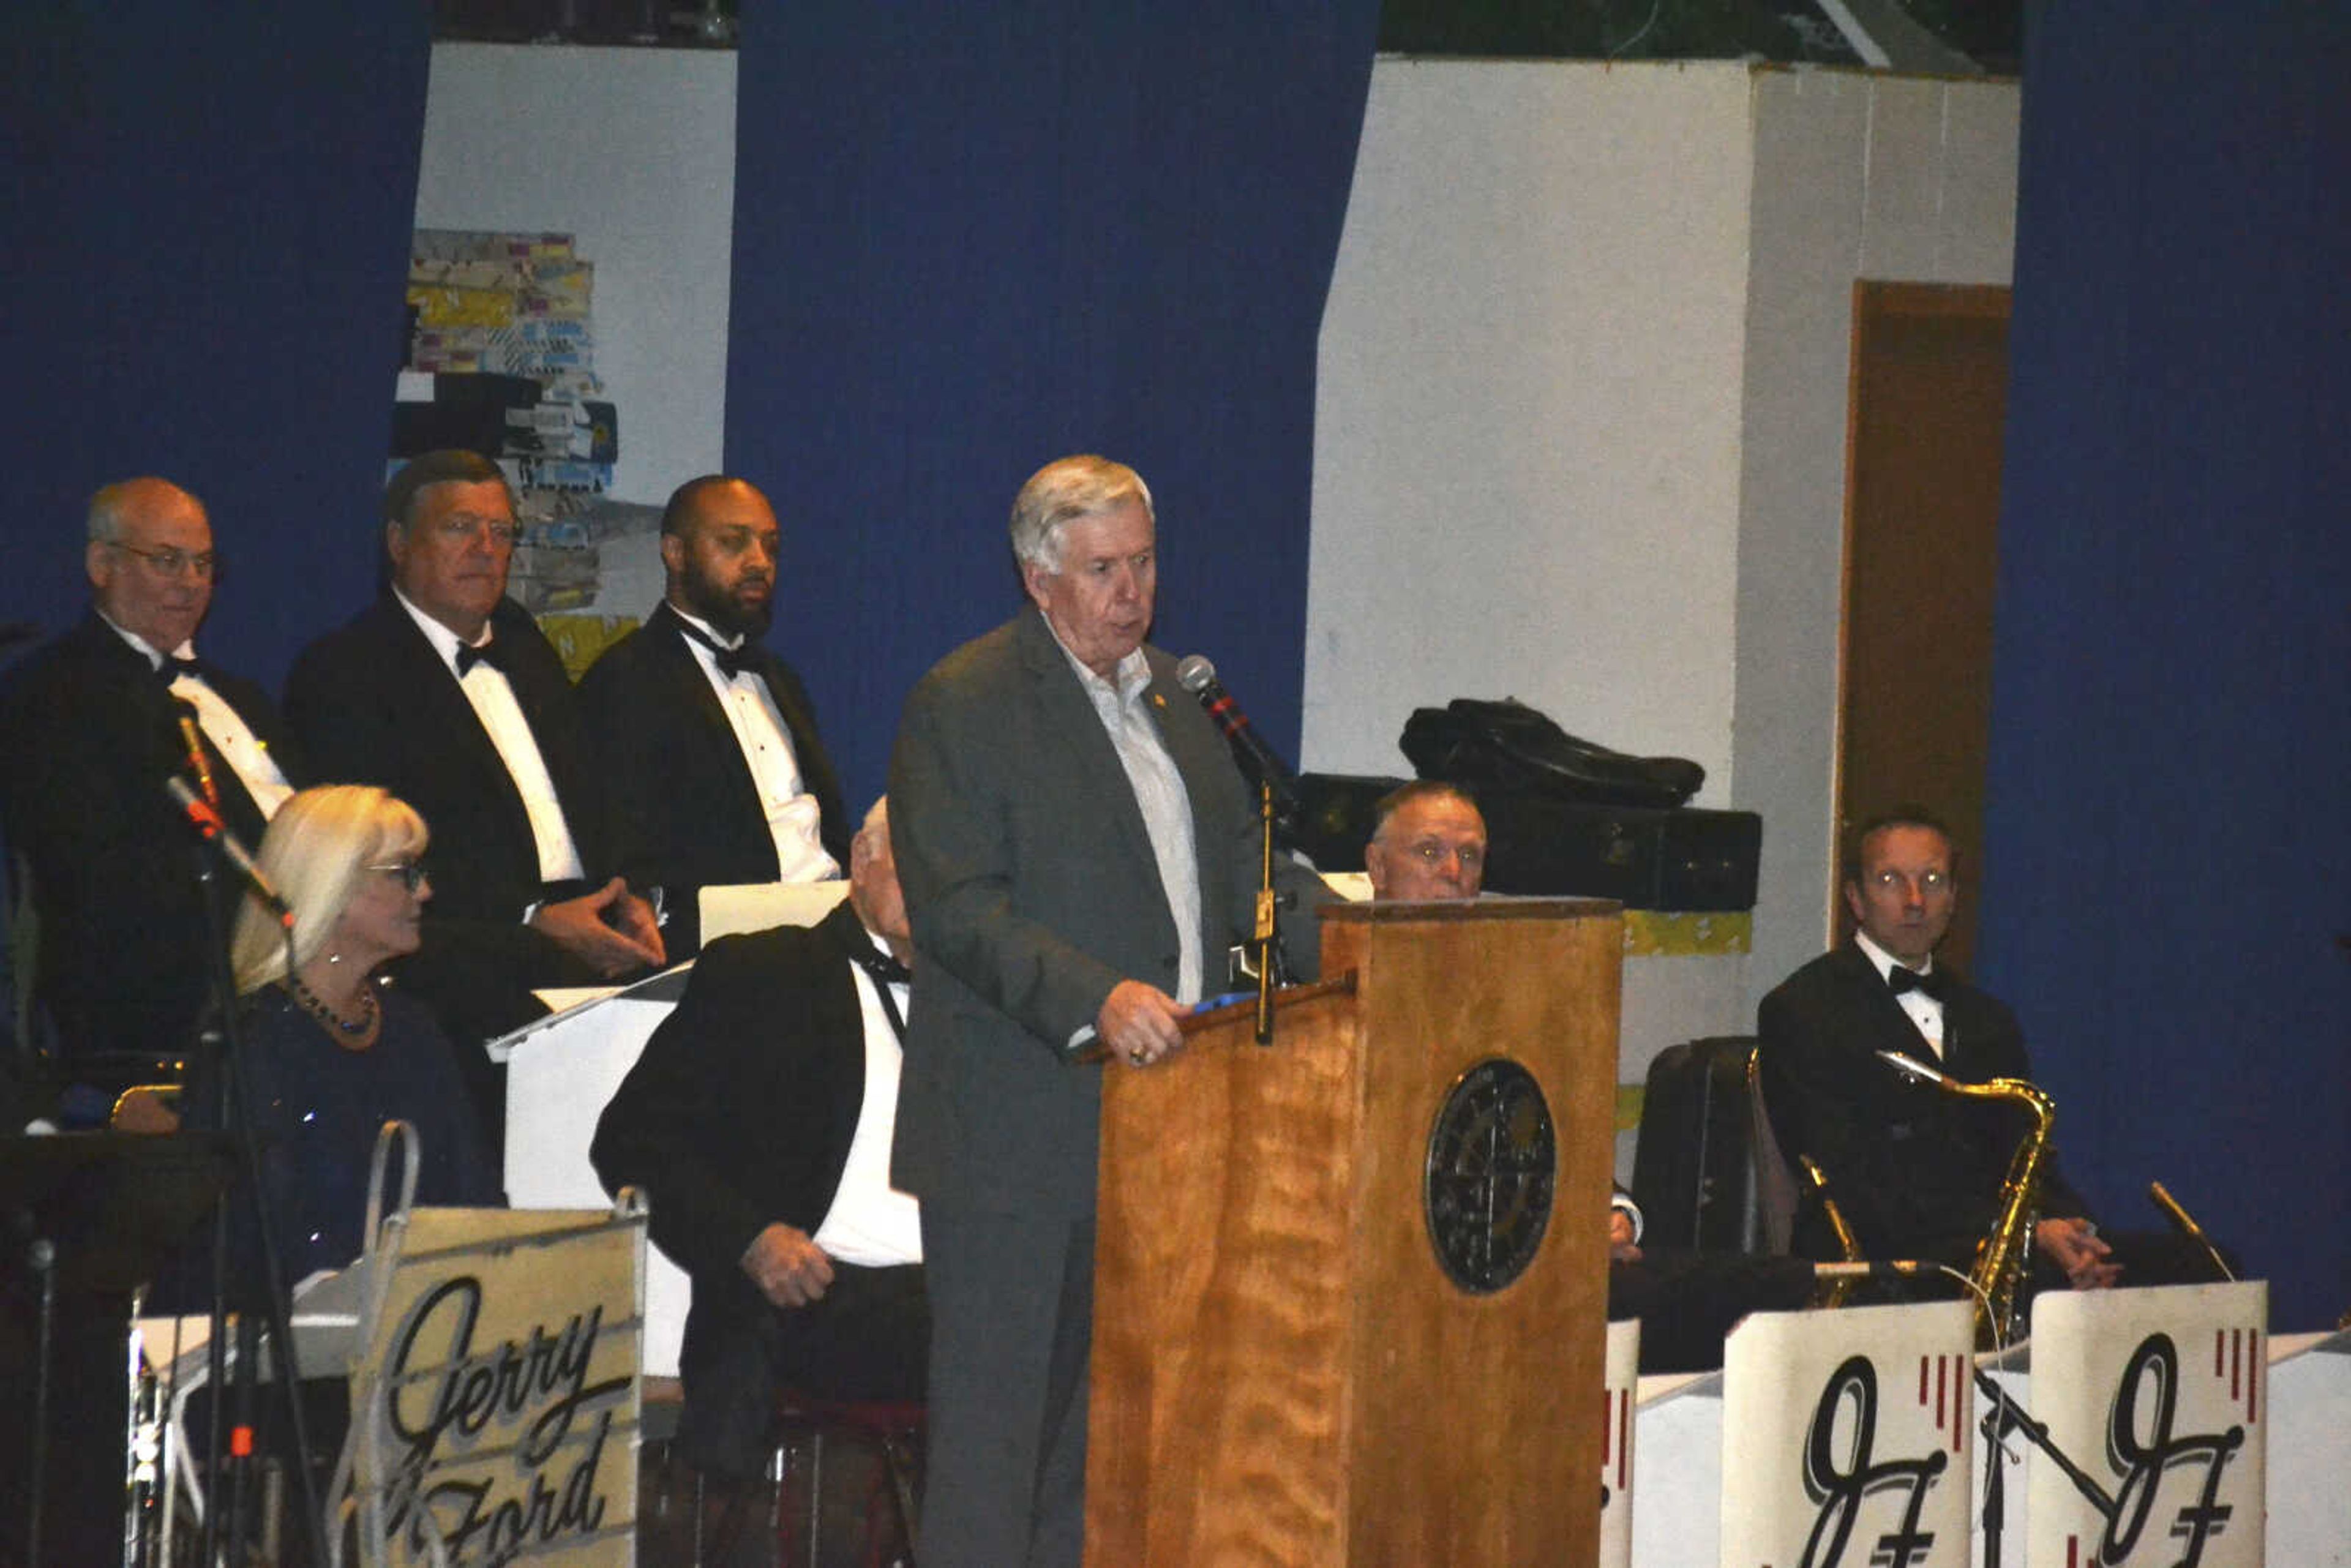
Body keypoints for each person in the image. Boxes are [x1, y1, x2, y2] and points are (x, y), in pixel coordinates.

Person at [888, 454, 1330, 1568]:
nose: (1132, 592)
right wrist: (1097, 996)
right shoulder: (969, 698)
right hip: (1018, 1139)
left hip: (1163, 1127)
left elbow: (1251, 863)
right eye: (1102, 569)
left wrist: (1393, 941)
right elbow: (959, 908)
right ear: (1040, 580)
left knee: (1107, 1450)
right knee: (998, 1457)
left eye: (1143, 563)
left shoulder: (1181, 693)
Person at [1360, 780, 1812, 1371]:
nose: (1453, 872)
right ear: (1376, 866)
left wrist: (1610, 1213)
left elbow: (1558, 1127)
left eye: (1469, 855)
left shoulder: (1518, 997)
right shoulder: (1332, 993)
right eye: (1428, 852)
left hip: (1537, 1247)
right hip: (1411, 1259)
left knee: (1772, 1286)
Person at [283, 450, 664, 1133]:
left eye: (502, 531)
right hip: (458, 978)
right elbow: (363, 876)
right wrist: (528, 922)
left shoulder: (527, 649)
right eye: (461, 527)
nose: (487, 550)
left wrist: (626, 896)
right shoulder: (346, 673)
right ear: (399, 543)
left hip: (582, 961)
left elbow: (587, 807)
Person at [1756, 808, 2216, 1300]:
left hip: (1999, 1245)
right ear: (1856, 899)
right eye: (1891, 880)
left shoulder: (1987, 1018)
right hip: (1891, 1256)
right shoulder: (1804, 1008)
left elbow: (2026, 1151)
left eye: (1932, 880)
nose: (1915, 901)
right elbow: (1856, 1181)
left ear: (1953, 897)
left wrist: (2074, 1231)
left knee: (2199, 1266)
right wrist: (2023, 1235)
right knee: (2045, 1284)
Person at [591, 799, 925, 1478]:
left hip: (961, 1300)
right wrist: (749, 1237)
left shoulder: (990, 1001)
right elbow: (632, 1138)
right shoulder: (764, 973)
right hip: (808, 1303)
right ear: (862, 859)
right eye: (914, 856)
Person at [0, 478, 301, 1089]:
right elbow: (96, 882)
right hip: (170, 1013)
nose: (191, 582)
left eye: (203, 564)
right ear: (101, 565)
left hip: (291, 984)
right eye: (167, 561)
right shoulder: (56, 695)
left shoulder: (242, 696)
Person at [183, 785, 499, 1287]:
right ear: (333, 885)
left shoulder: (416, 1030)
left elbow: (476, 1199)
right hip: (291, 1344)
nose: (424, 892)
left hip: (418, 1330)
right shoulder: (251, 1036)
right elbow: (256, 1238)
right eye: (404, 874)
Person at [577, 475, 849, 955]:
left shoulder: (780, 678)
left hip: (831, 925)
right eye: (733, 542)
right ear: (675, 553)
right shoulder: (626, 678)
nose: (760, 562)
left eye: (771, 546)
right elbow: (623, 853)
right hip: (725, 945)